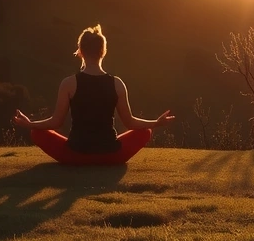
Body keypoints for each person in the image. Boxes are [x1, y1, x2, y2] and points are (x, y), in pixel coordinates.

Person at [12, 24, 175, 164]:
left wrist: (30, 124)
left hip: (75, 155)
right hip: (111, 156)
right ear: (103, 52)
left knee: (36, 132)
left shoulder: (69, 83)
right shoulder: (117, 83)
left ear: (80, 51)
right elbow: (130, 123)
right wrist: (156, 123)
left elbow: (56, 122)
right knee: (145, 131)